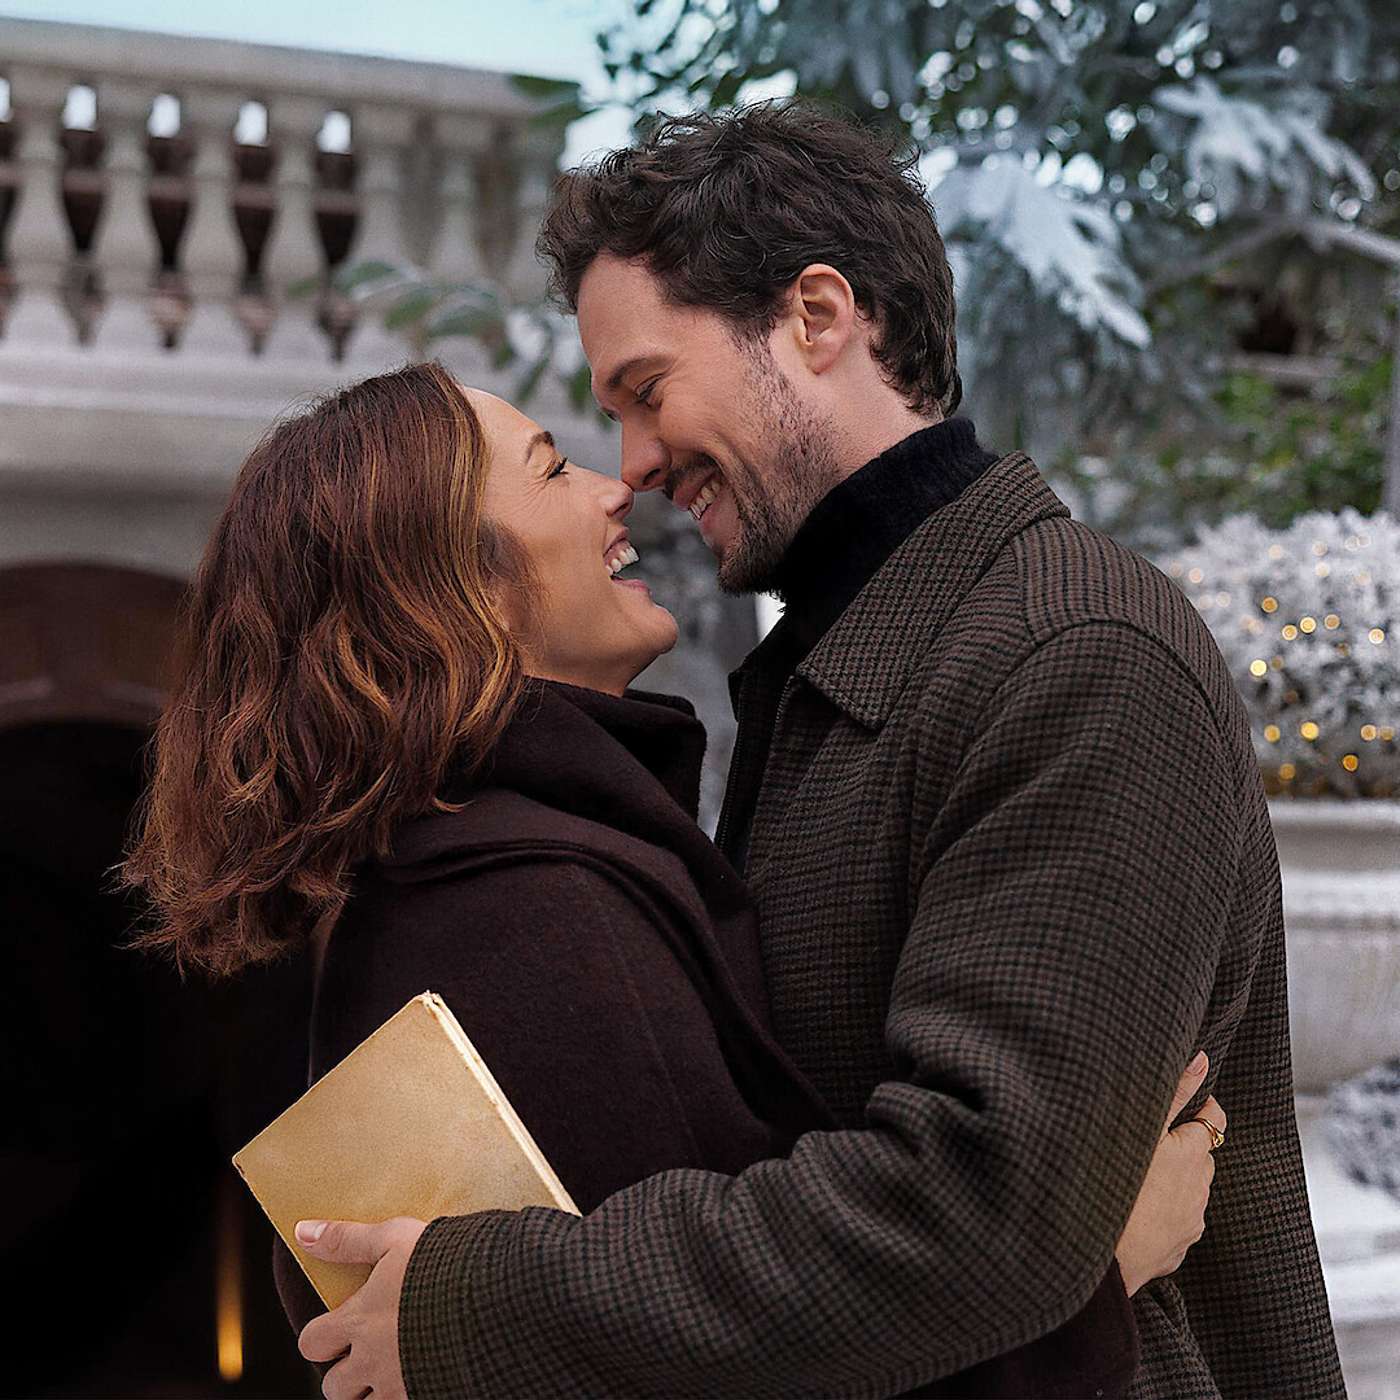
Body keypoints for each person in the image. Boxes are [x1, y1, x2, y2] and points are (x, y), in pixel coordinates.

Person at [293, 102, 1343, 1398]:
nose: (634, 464)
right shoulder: (846, 666)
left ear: (816, 316)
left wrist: (484, 1304)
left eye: (646, 391)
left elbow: (982, 1203)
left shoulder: (1074, 651)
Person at [120, 360, 1219, 1400]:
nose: (615, 487)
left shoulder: (482, 870)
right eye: (553, 467)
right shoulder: (530, 914)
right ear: (456, 589)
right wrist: (1097, 1276)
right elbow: (741, 1359)